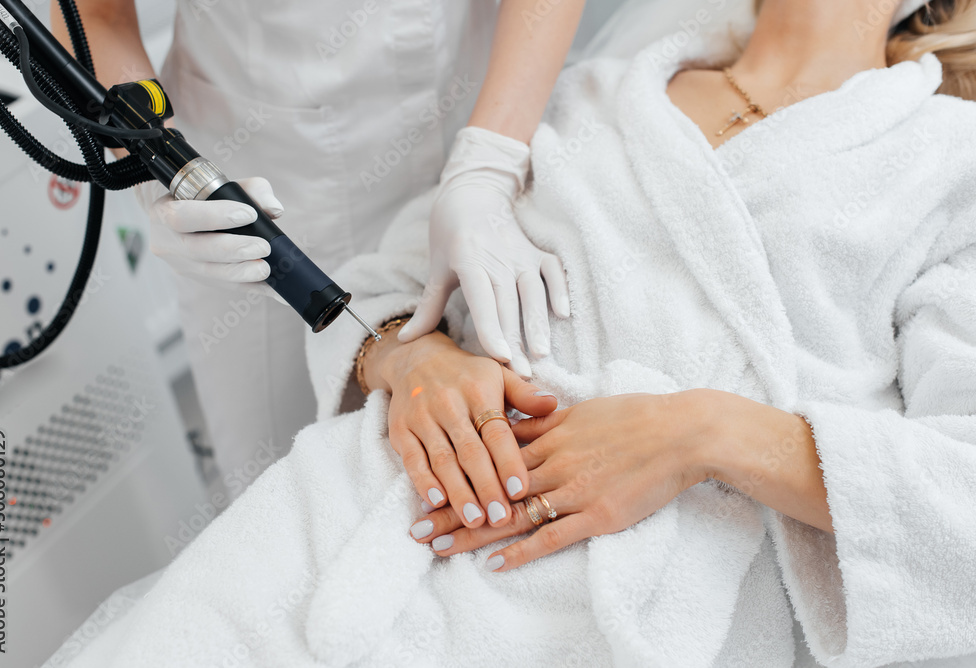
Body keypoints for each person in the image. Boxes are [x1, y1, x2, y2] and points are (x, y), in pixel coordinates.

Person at [51, 0, 976, 665]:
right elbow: (384, 286)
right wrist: (405, 353)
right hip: (386, 505)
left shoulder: (947, 166)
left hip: (633, 587)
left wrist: (703, 433)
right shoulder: (602, 94)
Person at [53, 0, 582, 499]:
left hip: (488, 110)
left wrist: (489, 164)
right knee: (279, 484)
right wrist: (156, 171)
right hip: (256, 170)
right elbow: (96, 15)